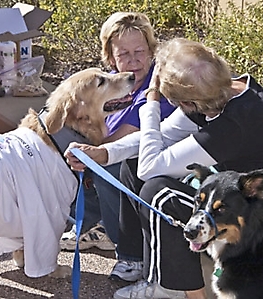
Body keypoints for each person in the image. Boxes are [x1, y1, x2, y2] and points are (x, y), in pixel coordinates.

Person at [65, 38, 263, 299]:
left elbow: (150, 169)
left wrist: (150, 104)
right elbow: (161, 136)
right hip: (238, 194)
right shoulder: (217, 91)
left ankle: (173, 289)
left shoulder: (235, 124)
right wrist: (104, 153)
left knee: (160, 192)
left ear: (188, 101)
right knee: (134, 164)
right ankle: (137, 261)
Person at [60, 12, 176, 257]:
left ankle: (127, 252)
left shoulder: (157, 87)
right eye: (124, 54)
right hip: (114, 156)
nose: (133, 61)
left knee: (102, 165)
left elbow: (119, 143)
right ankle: (83, 221)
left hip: (144, 166)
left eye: (140, 52)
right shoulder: (116, 82)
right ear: (111, 58)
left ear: (150, 51)